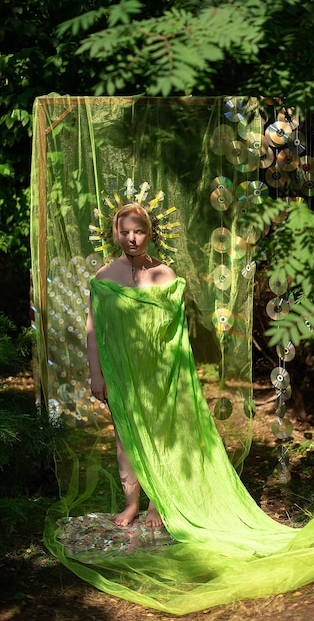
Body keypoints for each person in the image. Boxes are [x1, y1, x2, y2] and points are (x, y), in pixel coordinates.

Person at [87, 202, 175, 528]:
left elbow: (176, 331)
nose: (132, 238)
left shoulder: (164, 274)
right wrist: (96, 373)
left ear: (149, 233)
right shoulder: (105, 276)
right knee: (125, 435)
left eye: (138, 231)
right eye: (125, 232)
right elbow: (93, 329)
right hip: (119, 371)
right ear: (115, 234)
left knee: (157, 433)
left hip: (155, 370)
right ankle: (131, 503)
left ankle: (157, 501)